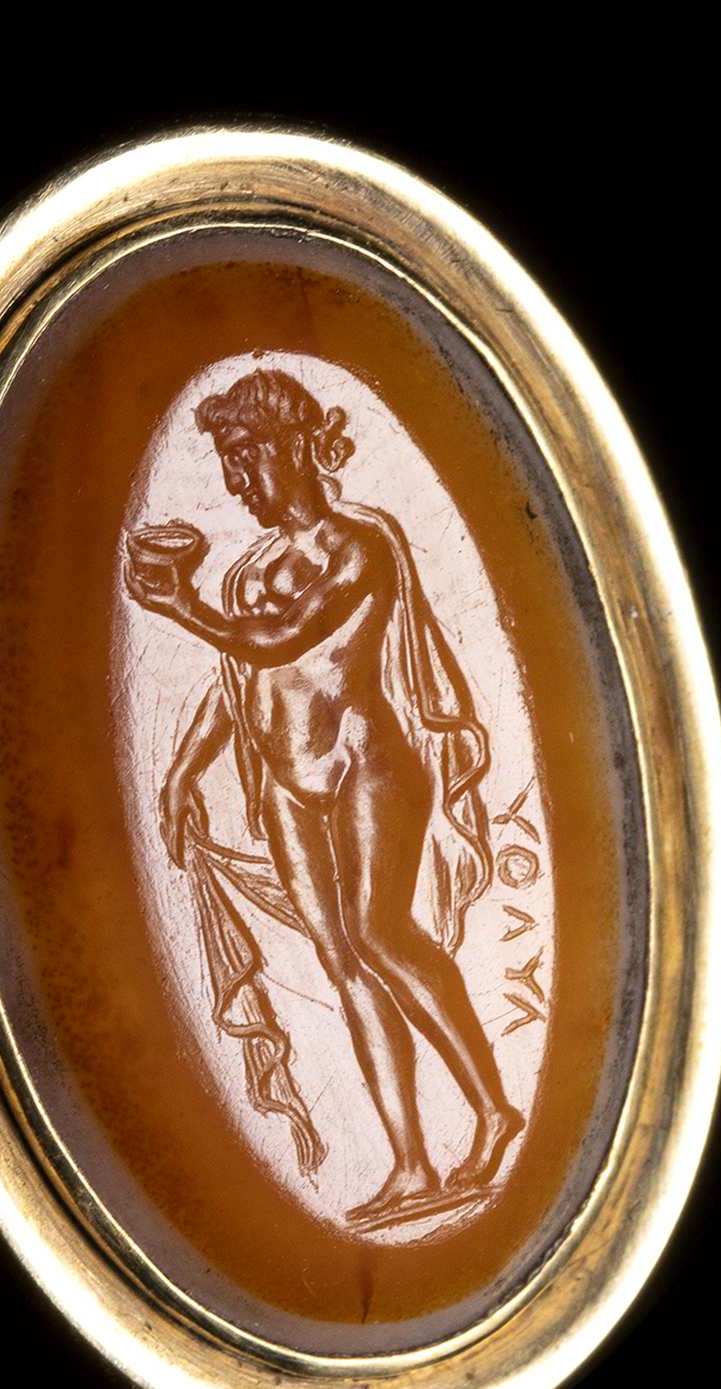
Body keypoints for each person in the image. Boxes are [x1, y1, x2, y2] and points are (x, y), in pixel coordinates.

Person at [124, 369, 523, 1225]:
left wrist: (180, 603)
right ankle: (411, 1164)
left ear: (298, 446)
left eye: (246, 456)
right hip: (285, 788)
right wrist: (184, 768)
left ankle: (493, 1110)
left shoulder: (359, 546)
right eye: (227, 462)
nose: (236, 481)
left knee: (380, 932)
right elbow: (236, 680)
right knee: (343, 966)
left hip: (365, 767)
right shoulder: (251, 569)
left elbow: (280, 638)